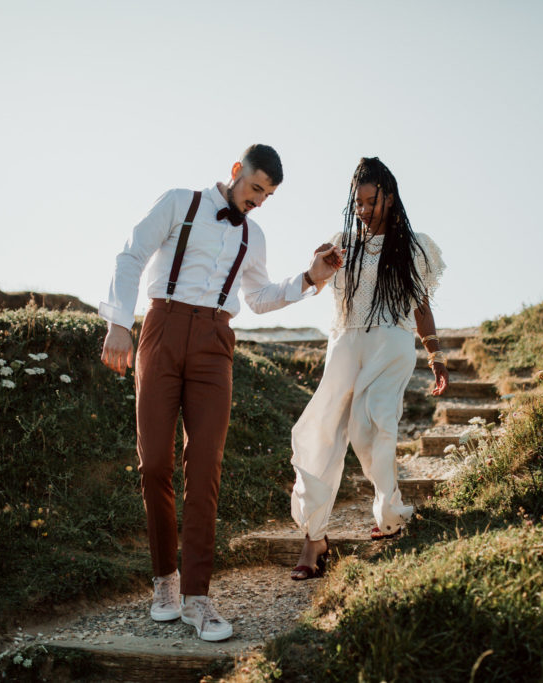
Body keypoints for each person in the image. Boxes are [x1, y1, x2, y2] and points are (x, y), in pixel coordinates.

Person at [98, 144, 343, 640]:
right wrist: (119, 323)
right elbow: (131, 255)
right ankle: (164, 580)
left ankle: (198, 597)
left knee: (205, 465)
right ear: (236, 172)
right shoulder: (177, 202)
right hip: (161, 329)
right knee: (154, 466)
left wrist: (311, 280)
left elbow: (257, 297)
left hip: (215, 342)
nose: (257, 201)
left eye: (267, 195)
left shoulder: (254, 235)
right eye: (255, 188)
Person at [288, 156, 447, 580]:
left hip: (390, 343)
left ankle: (389, 511)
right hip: (345, 342)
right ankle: (314, 537)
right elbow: (316, 281)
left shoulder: (415, 248)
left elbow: (422, 309)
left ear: (390, 199)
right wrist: (317, 265)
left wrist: (435, 355)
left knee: (369, 426)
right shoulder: (341, 242)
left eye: (371, 201)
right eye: (357, 202)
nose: (362, 209)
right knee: (321, 431)